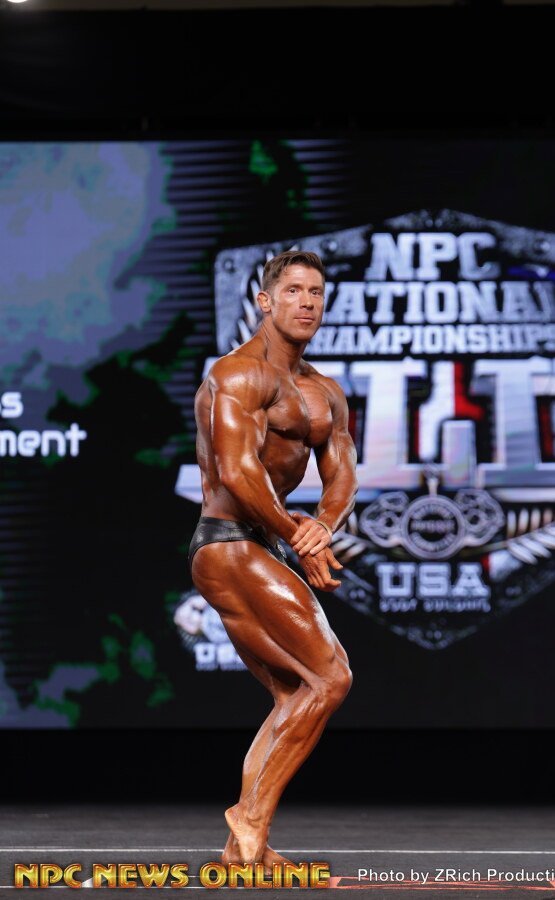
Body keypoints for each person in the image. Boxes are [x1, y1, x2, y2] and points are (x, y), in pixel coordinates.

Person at [189, 250, 358, 870]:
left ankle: (243, 849)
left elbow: (342, 475)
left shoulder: (324, 392)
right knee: (330, 677)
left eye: (316, 293)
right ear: (265, 301)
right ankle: (249, 816)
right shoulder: (236, 375)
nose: (307, 302)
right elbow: (237, 472)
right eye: (293, 291)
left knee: (295, 693)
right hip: (228, 542)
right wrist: (295, 536)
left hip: (262, 543)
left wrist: (322, 528)